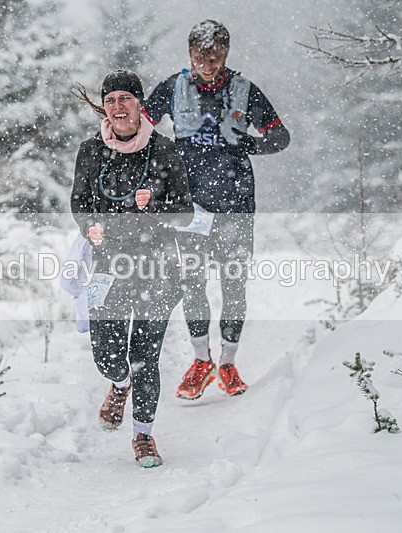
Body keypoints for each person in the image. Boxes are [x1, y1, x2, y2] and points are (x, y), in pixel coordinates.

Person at [143, 20, 290, 400]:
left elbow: (280, 136)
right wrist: (161, 158)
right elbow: (141, 129)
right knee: (193, 284)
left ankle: (228, 362)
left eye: (214, 58)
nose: (206, 66)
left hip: (235, 207)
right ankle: (200, 361)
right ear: (188, 55)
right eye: (199, 58)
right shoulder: (172, 89)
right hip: (189, 208)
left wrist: (247, 144)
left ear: (226, 54)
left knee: (233, 285)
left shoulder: (244, 91)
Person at [71, 69, 194, 467]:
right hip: (108, 266)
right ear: (103, 107)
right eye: (111, 100)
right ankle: (119, 383)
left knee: (146, 354)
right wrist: (88, 226)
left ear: (139, 104)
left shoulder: (164, 151)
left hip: (156, 267)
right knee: (106, 353)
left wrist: (154, 206)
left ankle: (143, 435)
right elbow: (79, 203)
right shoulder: (91, 152)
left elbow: (185, 213)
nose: (118, 106)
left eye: (126, 98)